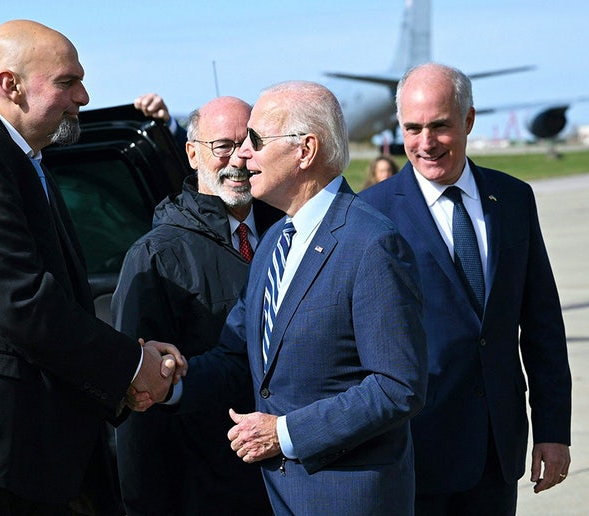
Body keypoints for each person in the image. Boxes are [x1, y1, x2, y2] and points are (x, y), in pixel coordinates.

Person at [0, 19, 184, 515]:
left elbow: (52, 297)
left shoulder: (13, 155)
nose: (84, 96)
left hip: (18, 458)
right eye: (68, 82)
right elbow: (20, 302)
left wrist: (126, 364)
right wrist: (130, 367)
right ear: (11, 84)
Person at [166, 81, 427, 515]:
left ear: (305, 151)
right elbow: (236, 351)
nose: (243, 153)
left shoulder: (371, 243)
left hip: (348, 498)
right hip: (281, 495)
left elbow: (397, 386)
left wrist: (283, 433)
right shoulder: (274, 241)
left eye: (256, 140)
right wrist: (162, 382)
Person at [360, 62, 572, 515]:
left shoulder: (513, 199)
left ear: (469, 120)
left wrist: (553, 430)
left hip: (498, 452)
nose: (424, 143)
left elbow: (543, 326)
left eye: (440, 126)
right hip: (414, 452)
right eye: (412, 129)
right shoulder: (369, 213)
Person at [112, 96, 276, 515]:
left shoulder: (289, 235)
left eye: (250, 142)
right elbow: (139, 402)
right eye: (223, 145)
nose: (239, 158)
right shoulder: (157, 259)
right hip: (203, 492)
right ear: (191, 153)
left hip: (287, 484)